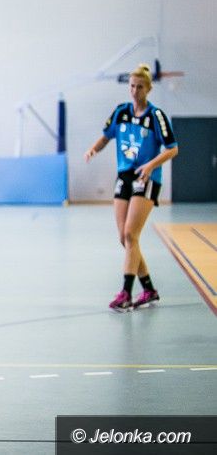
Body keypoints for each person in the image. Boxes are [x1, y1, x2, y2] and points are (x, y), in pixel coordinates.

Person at [84, 63, 178, 311]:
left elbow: (173, 149)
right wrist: (93, 149)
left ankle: (126, 294)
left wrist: (150, 165)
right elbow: (106, 136)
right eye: (132, 86)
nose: (135, 91)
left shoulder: (156, 116)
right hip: (124, 177)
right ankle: (149, 290)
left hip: (146, 178)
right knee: (125, 238)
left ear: (148, 89)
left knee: (130, 235)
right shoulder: (121, 112)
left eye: (140, 87)